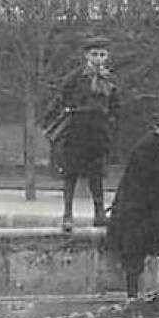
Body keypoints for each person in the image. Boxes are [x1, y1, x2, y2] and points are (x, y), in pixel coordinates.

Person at [103, 107, 159, 318]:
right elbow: (148, 184)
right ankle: (133, 306)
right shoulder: (148, 150)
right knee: (134, 261)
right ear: (156, 128)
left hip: (148, 212)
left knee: (139, 259)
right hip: (136, 213)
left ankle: (137, 303)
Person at [48, 35, 120, 232]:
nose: (98, 59)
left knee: (96, 175)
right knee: (70, 174)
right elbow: (60, 98)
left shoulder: (110, 80)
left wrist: (111, 125)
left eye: (102, 55)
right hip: (77, 130)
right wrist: (57, 118)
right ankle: (68, 214)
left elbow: (116, 106)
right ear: (86, 56)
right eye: (94, 54)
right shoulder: (75, 77)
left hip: (99, 131)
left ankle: (99, 213)